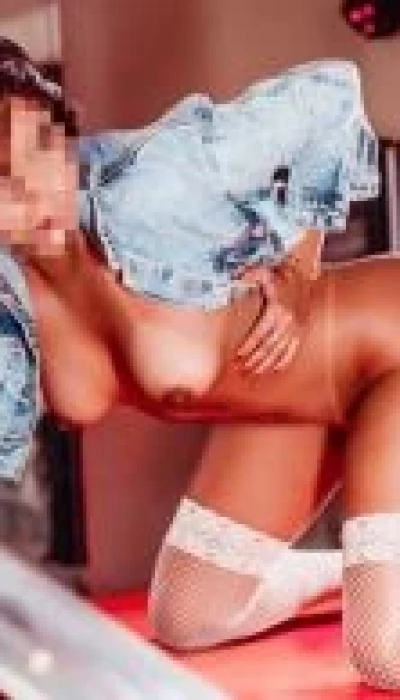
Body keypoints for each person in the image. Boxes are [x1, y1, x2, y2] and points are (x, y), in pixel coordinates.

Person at [1, 38, 399, 691]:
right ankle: (357, 566)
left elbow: (331, 90)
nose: (37, 191)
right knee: (187, 616)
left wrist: (298, 272)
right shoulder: (11, 307)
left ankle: (380, 582)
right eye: (3, 180)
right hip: (293, 410)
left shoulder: (155, 182)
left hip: (387, 354)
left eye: (42, 148)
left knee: (384, 652)